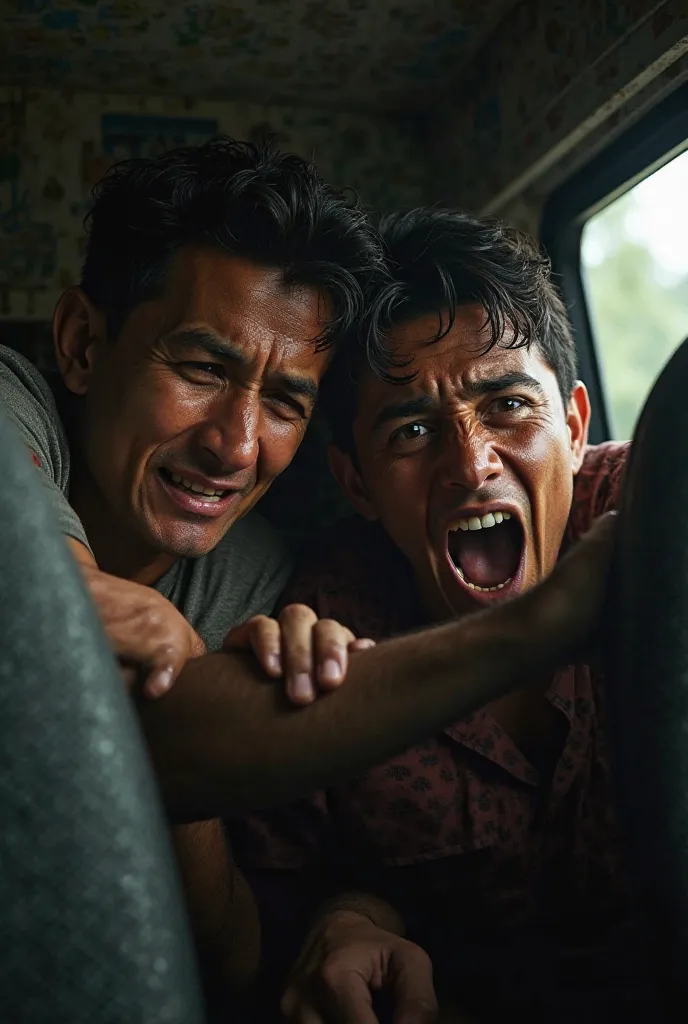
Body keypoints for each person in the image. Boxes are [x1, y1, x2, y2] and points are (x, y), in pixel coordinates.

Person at [0, 141, 612, 1004]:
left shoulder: (262, 580)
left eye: (285, 400)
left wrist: (224, 724)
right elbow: (34, 582)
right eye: (203, 367)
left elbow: (228, 959)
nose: (235, 446)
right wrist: (172, 664)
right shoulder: (12, 403)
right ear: (81, 345)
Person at [227, 209, 647, 1022]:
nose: (471, 464)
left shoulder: (655, 518)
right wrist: (349, 922)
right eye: (413, 430)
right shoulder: (322, 634)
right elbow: (276, 917)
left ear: (575, 424)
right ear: (356, 485)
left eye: (509, 408)